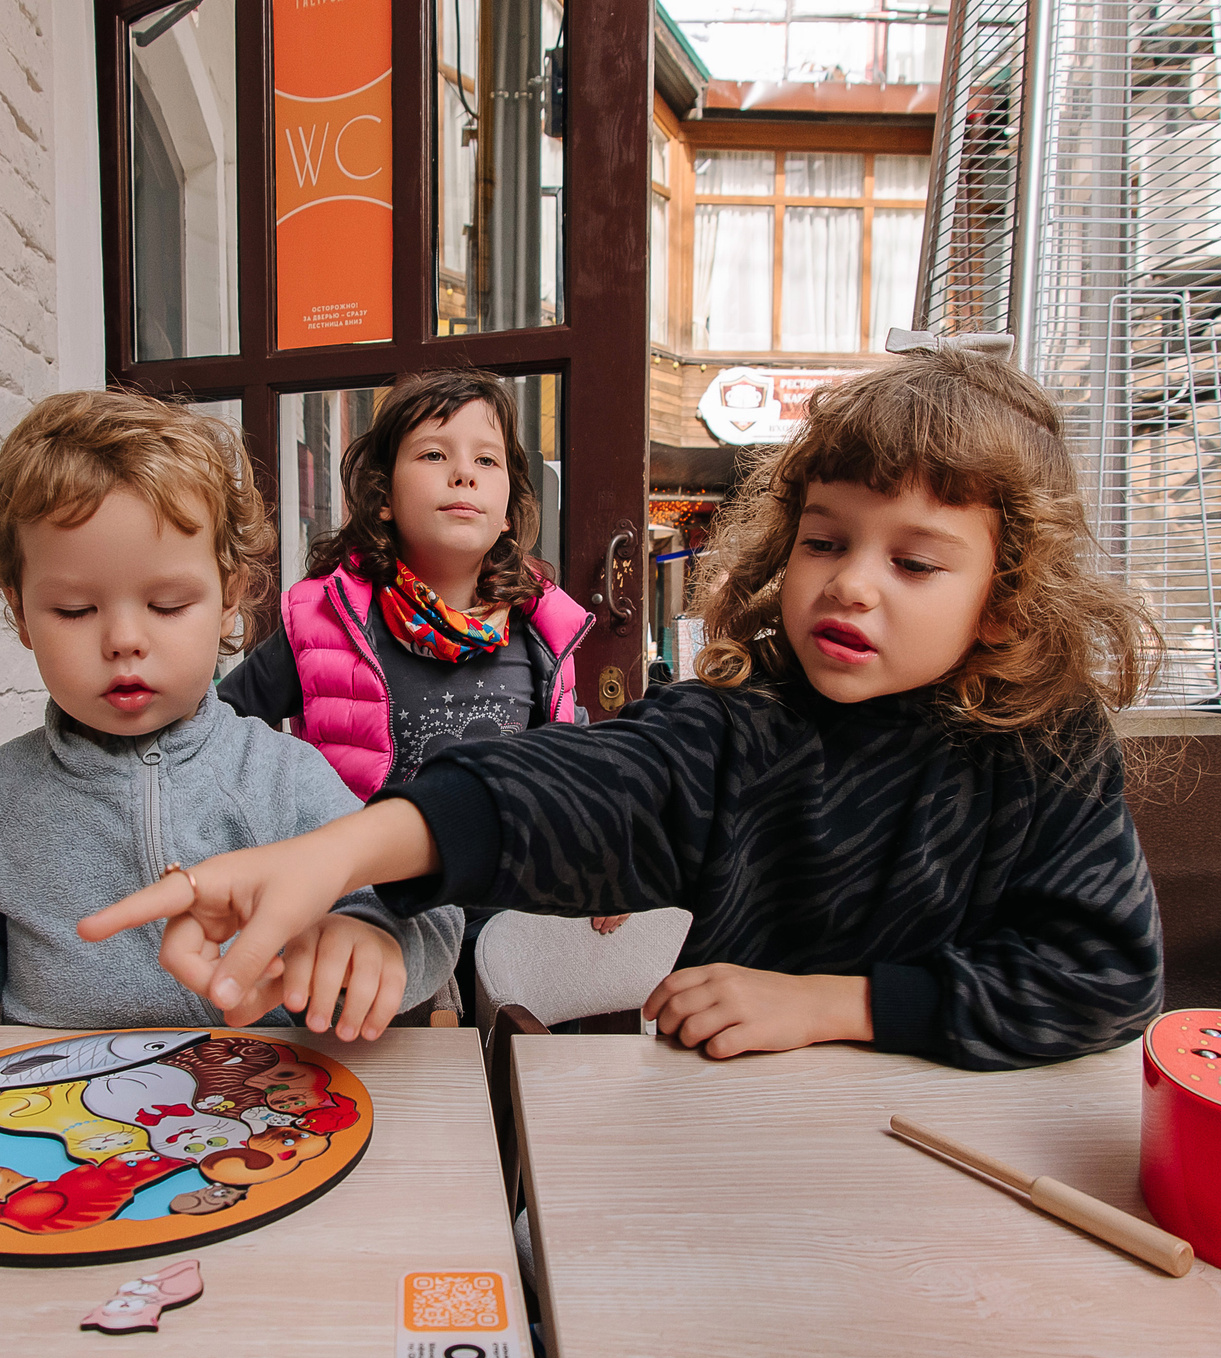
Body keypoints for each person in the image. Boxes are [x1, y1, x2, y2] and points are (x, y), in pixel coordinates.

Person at [79, 347, 1164, 1069]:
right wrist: (344, 853)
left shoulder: (1051, 749)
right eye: (825, 540)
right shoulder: (741, 725)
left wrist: (843, 1006)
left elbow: (1102, 977)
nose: (850, 583)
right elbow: (576, 787)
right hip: (732, 1156)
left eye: (916, 561)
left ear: (1006, 605)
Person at [0, 390, 461, 1048]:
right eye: (75, 610)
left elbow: (424, 906)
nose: (123, 639)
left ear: (228, 600)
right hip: (62, 1119)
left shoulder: (281, 776)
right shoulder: (3, 791)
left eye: (167, 604)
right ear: (21, 613)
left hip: (259, 1112)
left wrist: (369, 939)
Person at [220, 367, 628, 967]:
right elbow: (222, 733)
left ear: (508, 511)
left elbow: (570, 761)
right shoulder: (324, 622)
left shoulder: (542, 628)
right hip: (373, 929)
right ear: (383, 497)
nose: (464, 472)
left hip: (508, 927)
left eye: (487, 462)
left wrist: (606, 845)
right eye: (435, 453)